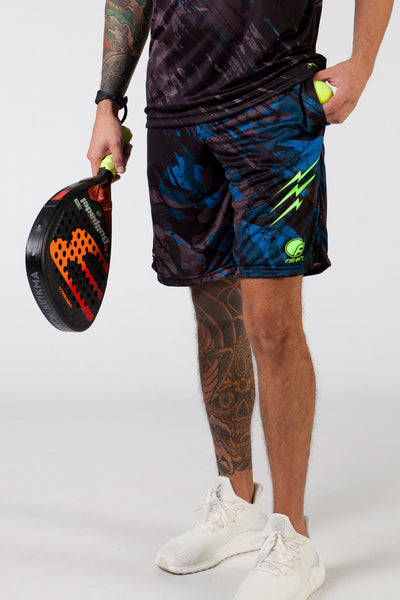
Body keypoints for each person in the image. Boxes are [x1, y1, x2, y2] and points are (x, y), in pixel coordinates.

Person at [88, 1, 393, 598]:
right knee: (213, 314)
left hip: (272, 103)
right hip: (176, 110)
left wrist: (364, 63)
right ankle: (238, 498)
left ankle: (294, 537)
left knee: (272, 325)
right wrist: (106, 101)